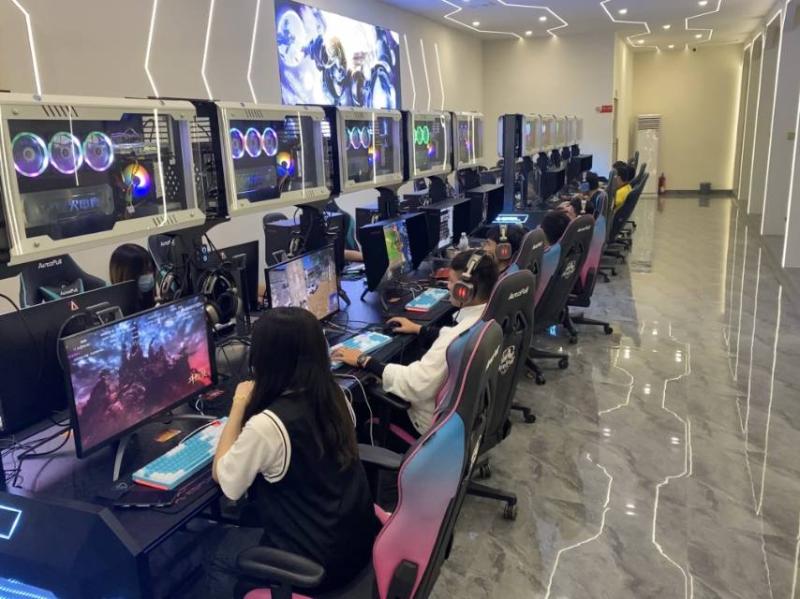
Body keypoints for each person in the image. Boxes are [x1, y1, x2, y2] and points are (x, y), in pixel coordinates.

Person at [202, 308, 380, 598]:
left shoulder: (268, 425)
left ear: (263, 360)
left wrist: (239, 403)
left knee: (213, 550)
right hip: (356, 545)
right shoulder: (336, 395)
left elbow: (225, 480)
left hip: (316, 568)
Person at [332, 250, 499, 439]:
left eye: (452, 282)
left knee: (360, 404)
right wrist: (419, 329)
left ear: (464, 291)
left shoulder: (453, 339)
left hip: (426, 427)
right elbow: (449, 336)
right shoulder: (487, 316)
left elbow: (414, 384)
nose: (447, 285)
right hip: (463, 416)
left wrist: (364, 360)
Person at [109, 243, 157, 310]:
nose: (149, 275)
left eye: (150, 270)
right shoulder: (115, 309)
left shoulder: (149, 297)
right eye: (142, 272)